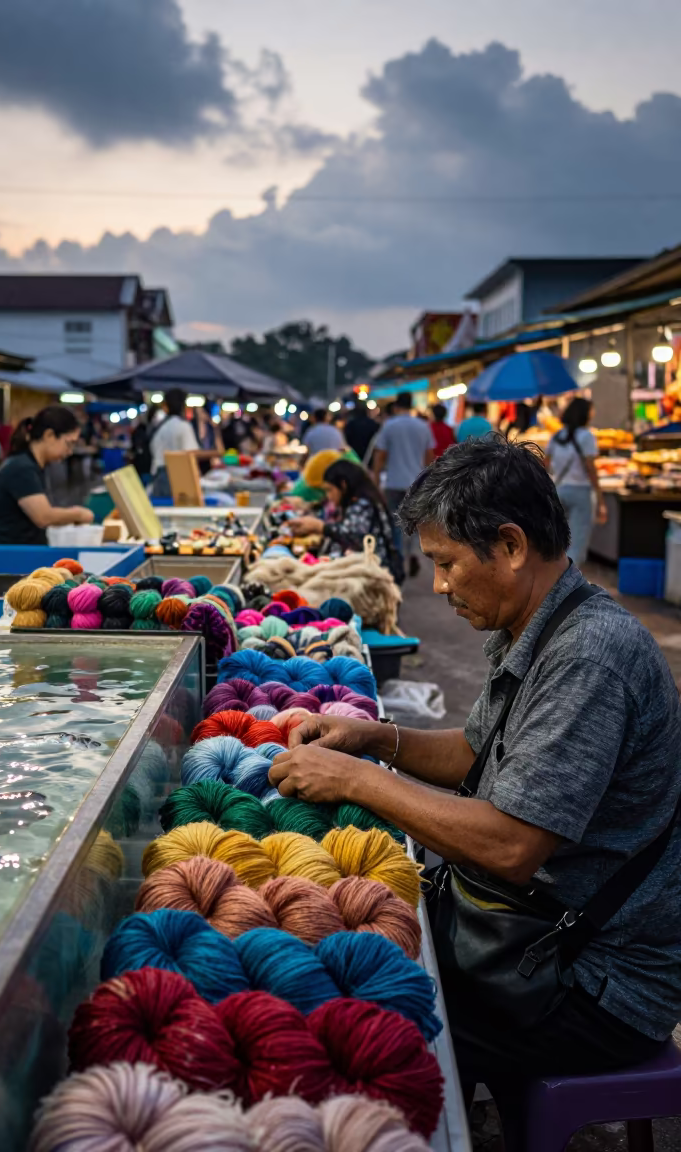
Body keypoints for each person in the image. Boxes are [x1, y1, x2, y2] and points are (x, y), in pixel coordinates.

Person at [268, 436, 681, 1148]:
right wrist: (374, 740)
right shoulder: (536, 625)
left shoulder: (590, 657)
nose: (439, 587)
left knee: (367, 1031)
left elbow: (512, 844)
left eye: (447, 564)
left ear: (512, 545)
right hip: (536, 932)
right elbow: (475, 752)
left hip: (597, 981)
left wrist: (358, 780)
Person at [0, 405, 94, 545]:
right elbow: (43, 516)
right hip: (5, 559)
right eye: (69, 444)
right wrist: (78, 514)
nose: (69, 452)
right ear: (49, 436)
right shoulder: (22, 469)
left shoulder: (33, 466)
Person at [286, 458, 404, 584]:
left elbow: (354, 535)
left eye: (329, 490)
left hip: (373, 575)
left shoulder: (363, 504)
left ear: (343, 485)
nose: (328, 496)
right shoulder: (357, 502)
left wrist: (320, 527)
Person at [371, 392, 434, 577]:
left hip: (393, 482)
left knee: (395, 522)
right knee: (414, 521)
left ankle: (398, 557)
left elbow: (380, 455)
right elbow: (429, 456)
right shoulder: (423, 427)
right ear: (412, 405)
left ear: (397, 406)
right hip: (416, 482)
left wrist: (375, 479)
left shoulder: (389, 426)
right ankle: (413, 552)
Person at [545, 396, 607, 566]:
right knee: (577, 542)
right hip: (580, 493)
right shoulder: (587, 436)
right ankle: (569, 583)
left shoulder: (557, 436)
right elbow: (591, 469)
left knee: (558, 539)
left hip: (559, 490)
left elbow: (545, 464)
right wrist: (600, 498)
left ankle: (554, 578)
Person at [148, 388, 200, 499]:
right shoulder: (183, 426)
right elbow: (191, 454)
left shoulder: (159, 426)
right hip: (176, 478)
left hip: (157, 476)